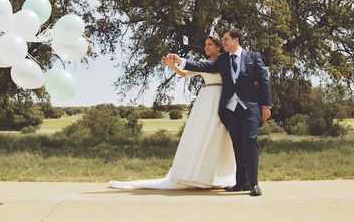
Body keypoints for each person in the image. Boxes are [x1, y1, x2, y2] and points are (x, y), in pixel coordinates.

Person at [109, 35, 236, 190]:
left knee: (219, 136)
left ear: (218, 47)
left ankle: (218, 175)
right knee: (203, 134)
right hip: (207, 99)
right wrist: (172, 65)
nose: (206, 47)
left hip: (222, 97)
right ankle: (198, 174)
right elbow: (184, 74)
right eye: (205, 45)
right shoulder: (203, 64)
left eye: (210, 44)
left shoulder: (225, 61)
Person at [167, 28, 272, 196]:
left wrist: (266, 106)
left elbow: (264, 80)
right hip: (229, 110)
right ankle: (241, 183)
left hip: (250, 108)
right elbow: (204, 65)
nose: (223, 43)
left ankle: (254, 184)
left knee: (249, 141)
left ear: (236, 40)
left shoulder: (253, 57)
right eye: (222, 40)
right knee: (237, 145)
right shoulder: (222, 60)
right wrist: (181, 61)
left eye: (225, 39)